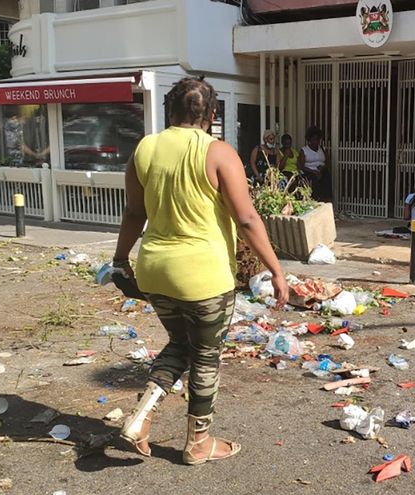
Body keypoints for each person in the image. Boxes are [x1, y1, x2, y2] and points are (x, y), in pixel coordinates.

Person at [112, 77, 288, 465]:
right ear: (211, 115)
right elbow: (246, 218)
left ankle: (141, 417)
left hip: (154, 270)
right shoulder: (219, 152)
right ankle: (199, 443)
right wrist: (276, 270)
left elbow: (133, 213)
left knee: (180, 344)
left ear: (168, 110)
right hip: (204, 275)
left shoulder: (145, 149)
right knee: (206, 356)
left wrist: (119, 260)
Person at [298, 125, 331, 201]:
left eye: (317, 139)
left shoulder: (322, 149)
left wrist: (323, 168)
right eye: (313, 139)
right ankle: (315, 199)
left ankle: (326, 199)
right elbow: (301, 166)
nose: (316, 142)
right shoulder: (304, 150)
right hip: (309, 171)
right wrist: (313, 171)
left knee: (326, 176)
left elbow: (328, 163)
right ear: (309, 140)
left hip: (321, 170)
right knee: (314, 180)